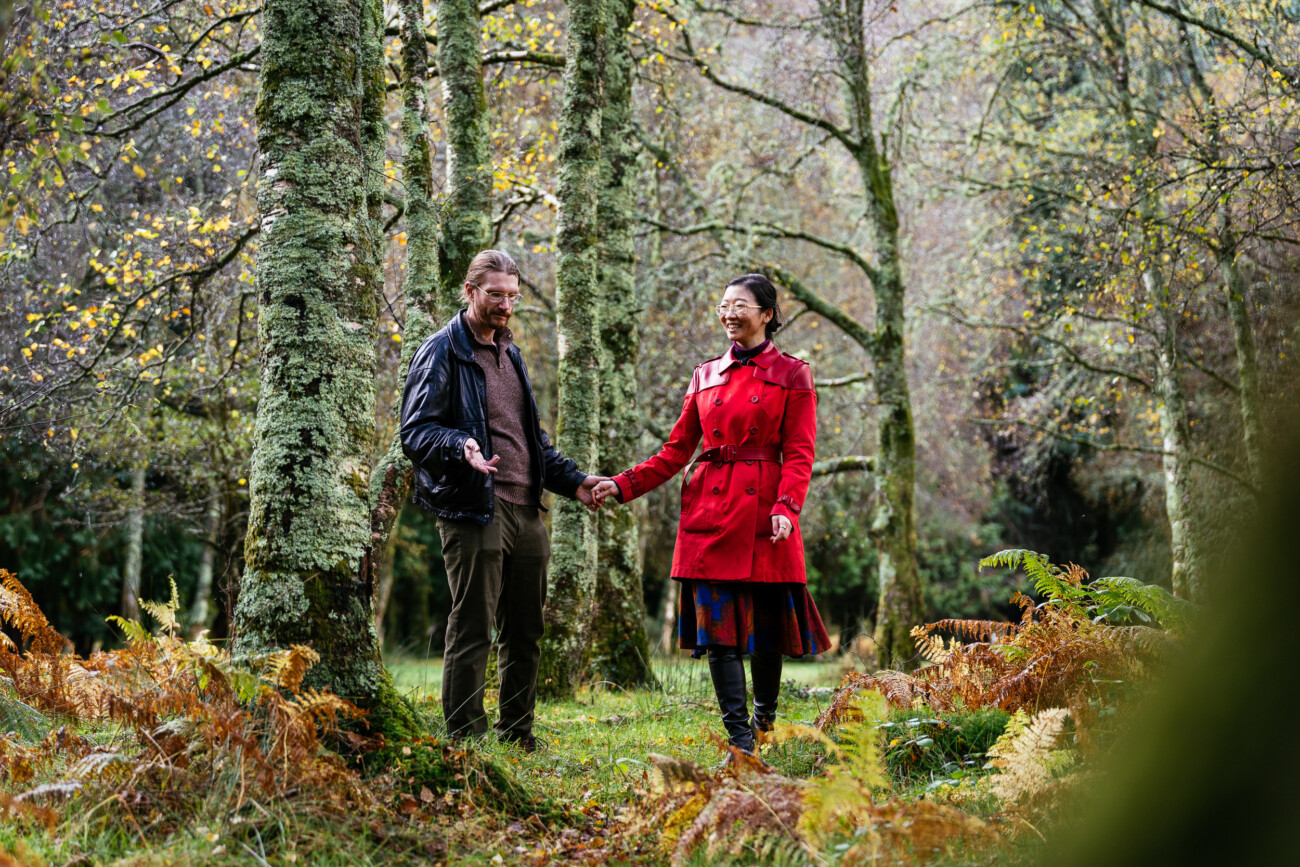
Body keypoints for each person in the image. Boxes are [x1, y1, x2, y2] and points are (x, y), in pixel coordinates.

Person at [593, 272, 831, 756]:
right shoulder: (704, 375)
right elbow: (675, 450)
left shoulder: (793, 373)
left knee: (766, 634)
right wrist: (622, 484)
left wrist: (787, 506)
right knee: (720, 633)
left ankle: (764, 723)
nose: (728, 313)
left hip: (766, 515)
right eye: (724, 305)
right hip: (709, 512)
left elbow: (800, 451)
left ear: (767, 314)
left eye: (740, 305)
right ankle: (740, 743)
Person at [400, 250, 606, 752]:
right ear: (468, 292)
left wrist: (574, 482)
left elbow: (529, 439)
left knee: (527, 631)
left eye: (512, 296)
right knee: (473, 627)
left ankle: (518, 735)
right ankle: (466, 738)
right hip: (474, 508)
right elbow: (416, 432)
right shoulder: (441, 351)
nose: (505, 305)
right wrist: (460, 445)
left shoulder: (510, 354)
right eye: (495, 294)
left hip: (526, 510)